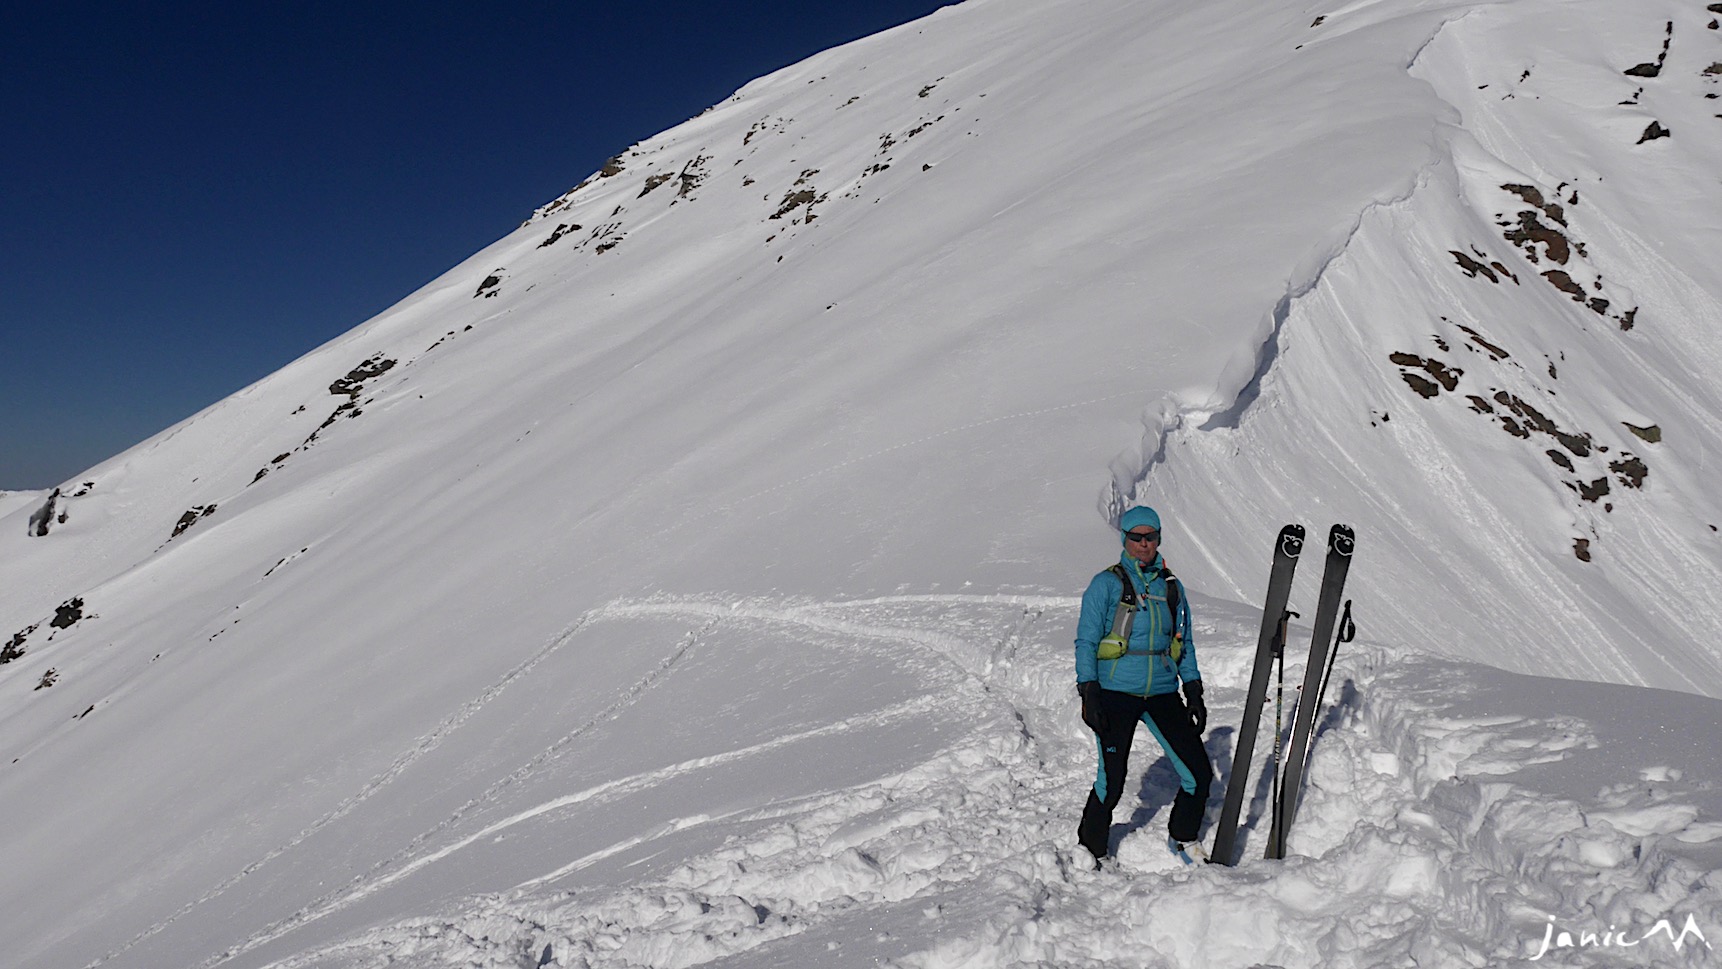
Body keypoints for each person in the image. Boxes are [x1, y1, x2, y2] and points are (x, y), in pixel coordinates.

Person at [1074, 505, 1212, 866]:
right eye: (1136, 537)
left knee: (1198, 772)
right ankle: (1091, 849)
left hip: (1163, 690)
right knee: (1112, 780)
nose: (1144, 544)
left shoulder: (1170, 587)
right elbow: (1086, 640)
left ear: (1159, 539)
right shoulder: (1107, 583)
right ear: (1125, 539)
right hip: (1115, 691)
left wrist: (1193, 688)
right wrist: (1088, 690)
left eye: (1150, 537)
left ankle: (1183, 837)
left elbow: (1185, 641)